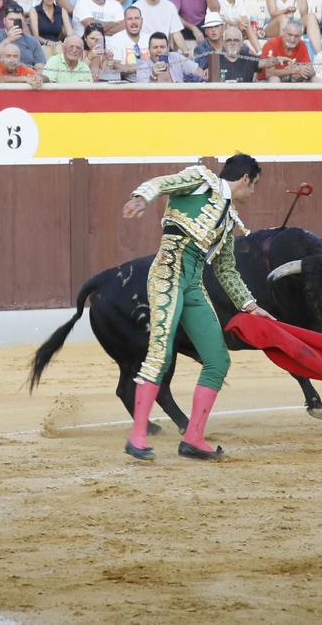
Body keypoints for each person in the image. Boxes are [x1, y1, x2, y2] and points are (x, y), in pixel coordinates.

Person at [119, 155, 273, 461]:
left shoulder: (228, 219)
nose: (253, 193)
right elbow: (162, 183)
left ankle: (194, 438)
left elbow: (226, 269)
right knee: (160, 353)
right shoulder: (200, 180)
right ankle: (137, 436)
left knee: (217, 360)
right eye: (254, 185)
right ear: (245, 179)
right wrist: (141, 198)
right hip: (167, 271)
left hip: (192, 281)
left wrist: (251, 305)